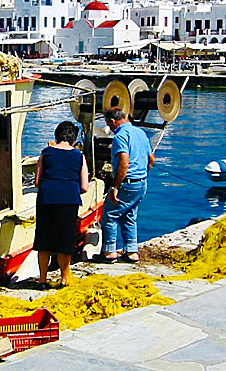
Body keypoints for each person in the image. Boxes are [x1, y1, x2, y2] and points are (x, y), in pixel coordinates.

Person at [33, 121, 89, 287]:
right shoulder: (79, 156)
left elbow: (37, 182)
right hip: (68, 200)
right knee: (65, 241)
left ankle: (42, 279)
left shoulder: (46, 153)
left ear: (56, 136)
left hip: (47, 199)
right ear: (74, 138)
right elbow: (85, 187)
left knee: (44, 241)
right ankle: (64, 279)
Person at [100, 109, 154, 262]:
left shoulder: (120, 136)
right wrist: (142, 175)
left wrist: (115, 186)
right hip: (141, 183)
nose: (110, 129)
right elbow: (151, 160)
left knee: (109, 215)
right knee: (129, 216)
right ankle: (131, 252)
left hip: (127, 183)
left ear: (112, 121)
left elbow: (124, 163)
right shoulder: (140, 133)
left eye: (109, 125)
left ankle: (109, 252)